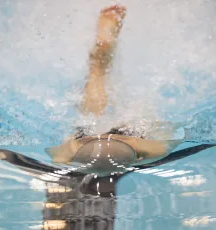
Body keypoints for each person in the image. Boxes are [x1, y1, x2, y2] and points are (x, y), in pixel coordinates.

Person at [46, 4, 186, 173]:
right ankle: (100, 57)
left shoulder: (152, 150)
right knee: (93, 100)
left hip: (126, 142)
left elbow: (176, 136)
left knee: (152, 124)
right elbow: (58, 154)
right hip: (87, 144)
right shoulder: (69, 151)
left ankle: (100, 56)